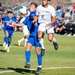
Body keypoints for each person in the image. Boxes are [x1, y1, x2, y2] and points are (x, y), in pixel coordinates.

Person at [14, 2, 42, 75]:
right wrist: (15, 24)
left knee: (37, 51)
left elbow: (35, 17)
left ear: (35, 8)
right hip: (32, 35)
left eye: (32, 6)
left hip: (37, 35)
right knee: (27, 47)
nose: (31, 7)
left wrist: (35, 20)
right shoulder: (27, 17)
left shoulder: (34, 13)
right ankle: (28, 63)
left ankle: (39, 66)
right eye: (30, 6)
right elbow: (21, 24)